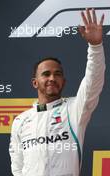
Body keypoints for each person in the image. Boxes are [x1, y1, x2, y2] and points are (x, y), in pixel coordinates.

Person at [9, 9, 105, 176]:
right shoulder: (21, 121)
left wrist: (95, 46)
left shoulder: (75, 109)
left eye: (57, 74)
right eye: (46, 74)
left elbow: (93, 80)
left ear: (64, 82)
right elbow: (17, 167)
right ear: (35, 82)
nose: (52, 78)